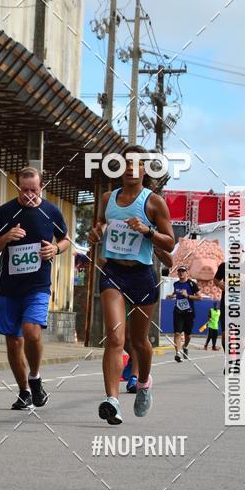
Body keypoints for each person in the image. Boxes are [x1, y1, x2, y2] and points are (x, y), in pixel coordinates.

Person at [88, 149, 175, 423]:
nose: (131, 168)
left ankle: (144, 382)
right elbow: (101, 225)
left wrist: (147, 230)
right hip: (113, 272)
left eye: (137, 164)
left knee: (140, 342)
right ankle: (111, 401)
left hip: (142, 275)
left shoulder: (154, 203)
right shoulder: (107, 198)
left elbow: (170, 243)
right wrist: (96, 232)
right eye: (126, 163)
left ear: (145, 170)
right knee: (115, 338)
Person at [0, 166, 70, 408]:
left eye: (33, 189)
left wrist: (56, 249)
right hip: (10, 288)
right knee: (13, 342)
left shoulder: (51, 211)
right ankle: (24, 392)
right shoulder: (6, 212)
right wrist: (5, 238)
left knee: (32, 332)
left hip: (38, 286)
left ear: (41, 187)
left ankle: (35, 378)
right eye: (24, 190)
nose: (29, 194)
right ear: (17, 187)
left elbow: (65, 239)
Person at [123, 245, 173, 393]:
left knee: (136, 337)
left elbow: (169, 261)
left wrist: (156, 245)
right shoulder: (114, 222)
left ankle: (135, 376)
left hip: (142, 281)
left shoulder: (148, 227)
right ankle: (134, 358)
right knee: (121, 336)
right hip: (117, 277)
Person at [167, 265, 202, 361]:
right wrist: (171, 295)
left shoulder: (192, 284)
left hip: (189, 312)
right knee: (177, 333)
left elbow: (199, 297)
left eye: (183, 271)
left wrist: (188, 296)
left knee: (188, 335)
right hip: (178, 311)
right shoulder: (176, 284)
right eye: (179, 271)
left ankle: (185, 346)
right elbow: (176, 293)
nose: (181, 273)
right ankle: (178, 353)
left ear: (187, 273)